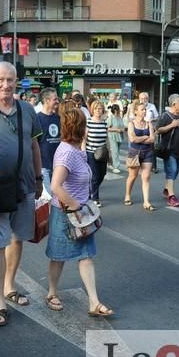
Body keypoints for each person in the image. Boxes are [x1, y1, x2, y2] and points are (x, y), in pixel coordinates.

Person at [0, 62, 43, 326]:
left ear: (17, 82)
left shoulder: (27, 110)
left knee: (17, 238)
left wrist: (39, 179)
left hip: (25, 185)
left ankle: (9, 285)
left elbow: (35, 146)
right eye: (1, 80)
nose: (6, 85)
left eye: (10, 80)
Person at [44, 105, 113, 317]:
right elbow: (55, 185)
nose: (88, 128)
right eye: (85, 125)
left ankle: (94, 302)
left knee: (86, 256)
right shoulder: (66, 153)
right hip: (66, 215)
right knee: (58, 256)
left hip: (81, 215)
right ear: (79, 128)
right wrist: (74, 204)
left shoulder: (75, 149)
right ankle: (52, 293)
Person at [155, 93, 179, 207]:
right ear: (174, 104)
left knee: (176, 171)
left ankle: (167, 189)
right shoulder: (165, 116)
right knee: (172, 170)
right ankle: (171, 197)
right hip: (169, 149)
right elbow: (158, 130)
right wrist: (171, 125)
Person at [123, 102, 156, 210]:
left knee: (146, 177)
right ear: (136, 111)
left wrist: (140, 139)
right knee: (132, 176)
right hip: (134, 152)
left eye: (145, 109)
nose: (144, 111)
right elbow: (132, 139)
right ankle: (127, 195)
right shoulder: (131, 123)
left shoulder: (149, 123)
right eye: (142, 109)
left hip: (148, 153)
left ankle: (146, 201)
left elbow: (152, 139)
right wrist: (145, 137)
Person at [36, 87, 61, 193]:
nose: (57, 101)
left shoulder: (58, 118)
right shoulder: (37, 119)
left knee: (58, 197)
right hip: (44, 166)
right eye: (55, 99)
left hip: (59, 165)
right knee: (48, 197)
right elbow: (34, 144)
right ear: (47, 100)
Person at [85, 100, 108, 207]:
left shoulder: (104, 122)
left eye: (100, 109)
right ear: (92, 110)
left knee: (102, 174)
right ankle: (95, 198)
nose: (99, 111)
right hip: (91, 151)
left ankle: (90, 191)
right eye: (96, 109)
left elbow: (106, 139)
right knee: (94, 176)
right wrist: (83, 152)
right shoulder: (88, 122)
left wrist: (110, 153)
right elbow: (84, 139)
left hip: (102, 152)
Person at [138, 92, 160, 173]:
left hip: (149, 128)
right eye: (142, 98)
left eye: (145, 98)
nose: (143, 100)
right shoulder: (137, 106)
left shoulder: (152, 106)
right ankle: (139, 166)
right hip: (139, 128)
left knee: (151, 148)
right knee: (139, 148)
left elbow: (157, 117)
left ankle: (153, 166)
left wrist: (152, 120)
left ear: (148, 99)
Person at [106, 104, 126, 174]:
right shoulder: (110, 118)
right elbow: (107, 128)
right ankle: (116, 167)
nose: (118, 111)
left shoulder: (119, 117)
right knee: (115, 151)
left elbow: (123, 126)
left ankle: (112, 164)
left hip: (119, 136)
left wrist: (123, 129)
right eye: (117, 110)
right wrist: (117, 130)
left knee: (117, 151)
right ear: (114, 110)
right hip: (113, 136)